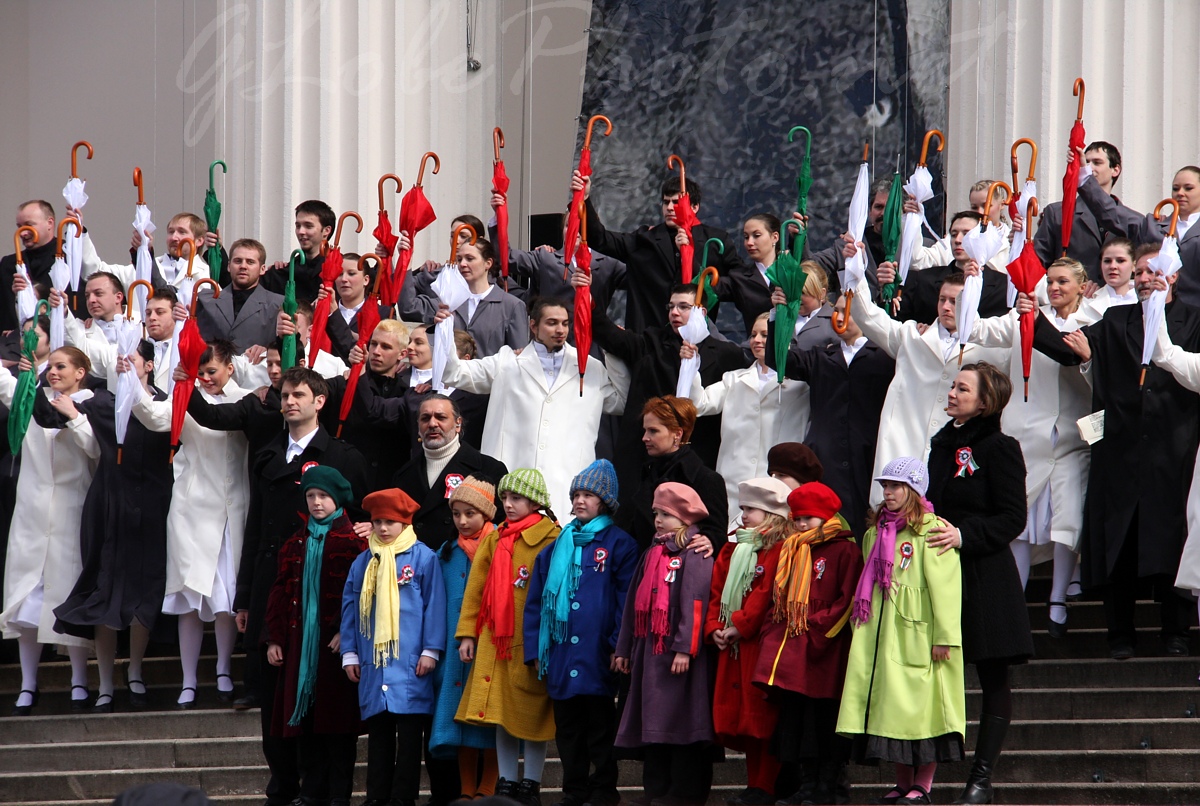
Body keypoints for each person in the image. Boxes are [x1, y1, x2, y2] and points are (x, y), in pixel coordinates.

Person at [1036, 245, 1200, 660]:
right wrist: (1028, 311)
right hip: (1120, 453)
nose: (1145, 279)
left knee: (1174, 541)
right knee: (1120, 544)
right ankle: (1120, 634)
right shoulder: (1113, 320)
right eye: (1140, 273)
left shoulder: (1194, 321)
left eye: (1153, 271)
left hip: (1175, 452)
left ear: (1174, 276)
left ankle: (1175, 630)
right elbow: (1064, 349)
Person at [239, 366, 370, 806]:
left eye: (299, 394)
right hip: (273, 582)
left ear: (319, 401)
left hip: (327, 594)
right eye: (284, 394)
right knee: (272, 689)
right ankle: (283, 785)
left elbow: (366, 514)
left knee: (324, 698)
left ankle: (319, 788)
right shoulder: (267, 453)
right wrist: (243, 597)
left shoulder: (343, 456)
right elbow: (254, 527)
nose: (290, 401)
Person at [924, 363, 1032, 804]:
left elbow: (1013, 516)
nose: (952, 393)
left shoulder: (1000, 447)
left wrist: (964, 535)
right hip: (937, 573)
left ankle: (981, 779)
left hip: (985, 577)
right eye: (953, 385)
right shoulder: (940, 444)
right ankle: (918, 779)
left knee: (993, 677)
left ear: (984, 402)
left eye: (962, 388)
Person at [967, 258, 1093, 635]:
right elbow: (977, 331)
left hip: (1073, 435)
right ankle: (1013, 599)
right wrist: (973, 285)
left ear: (1082, 286)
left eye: (1063, 282)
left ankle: (1057, 599)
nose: (1055, 288)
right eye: (1050, 282)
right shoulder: (1024, 318)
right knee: (1021, 522)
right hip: (1028, 434)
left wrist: (1087, 359)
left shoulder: (1094, 322)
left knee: (1066, 517)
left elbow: (1102, 380)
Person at [51, 340, 172, 712]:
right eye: (120, 358)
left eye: (131, 358)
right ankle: (104, 682)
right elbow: (92, 445)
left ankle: (134, 671)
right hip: (109, 503)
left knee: (144, 588)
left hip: (152, 503)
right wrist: (72, 415)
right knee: (105, 591)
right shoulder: (102, 402)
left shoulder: (164, 402)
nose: (123, 363)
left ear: (148, 365)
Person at [836, 457, 965, 806]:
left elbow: (947, 588)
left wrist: (944, 636)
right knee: (890, 712)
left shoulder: (931, 530)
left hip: (917, 635)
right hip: (881, 635)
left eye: (895, 486)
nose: (887, 492)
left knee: (923, 712)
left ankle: (923, 784)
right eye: (884, 486)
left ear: (914, 490)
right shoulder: (874, 533)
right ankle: (901, 781)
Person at [129, 339, 250, 708]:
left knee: (227, 595)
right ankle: (188, 679)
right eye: (201, 372)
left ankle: (225, 669)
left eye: (212, 371)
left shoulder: (247, 396)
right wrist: (129, 382)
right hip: (192, 508)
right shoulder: (184, 394)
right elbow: (152, 415)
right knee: (190, 597)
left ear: (230, 366)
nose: (207, 378)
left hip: (235, 507)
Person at [440, 297, 626, 514]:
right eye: (552, 323)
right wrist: (445, 329)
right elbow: (454, 373)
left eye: (565, 324)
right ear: (533, 325)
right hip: (510, 484)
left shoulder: (591, 367)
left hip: (564, 487)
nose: (560, 329)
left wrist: (614, 350)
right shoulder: (507, 362)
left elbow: (622, 402)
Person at [576, 271, 747, 506]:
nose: (674, 312)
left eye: (683, 307)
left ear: (702, 312)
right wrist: (587, 298)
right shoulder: (651, 342)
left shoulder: (727, 354)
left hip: (697, 457)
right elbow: (610, 335)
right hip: (643, 458)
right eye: (671, 306)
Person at [525, 459, 639, 806]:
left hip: (597, 655)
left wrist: (618, 645)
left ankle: (603, 789)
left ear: (604, 501)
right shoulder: (556, 547)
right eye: (576, 494)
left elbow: (625, 600)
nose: (579, 500)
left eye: (588, 494)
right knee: (569, 731)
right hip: (561, 655)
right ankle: (574, 790)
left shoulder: (620, 544)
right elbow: (535, 603)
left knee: (600, 728)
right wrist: (534, 649)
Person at [850, 269, 1009, 506]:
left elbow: (1021, 328)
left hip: (954, 452)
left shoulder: (992, 347)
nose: (946, 307)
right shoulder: (912, 336)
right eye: (942, 299)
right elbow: (868, 316)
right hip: (904, 443)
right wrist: (855, 267)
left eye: (956, 302)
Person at [0, 346, 99, 714]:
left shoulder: (92, 404)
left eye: (61, 367)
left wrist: (74, 418)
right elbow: (4, 385)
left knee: (67, 595)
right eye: (50, 366)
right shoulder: (32, 399)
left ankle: (78, 680)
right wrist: (22, 363)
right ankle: (28, 684)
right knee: (26, 600)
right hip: (31, 513)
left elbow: (96, 450)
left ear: (80, 373)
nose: (53, 372)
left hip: (72, 513)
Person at [455, 469, 561, 805]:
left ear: (535, 501)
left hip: (529, 641)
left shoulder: (552, 537)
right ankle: (506, 782)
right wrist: (468, 634)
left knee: (531, 715)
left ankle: (530, 783)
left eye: (516, 498)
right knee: (500, 714)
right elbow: (476, 589)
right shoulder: (496, 537)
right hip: (494, 638)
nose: (508, 505)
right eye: (505, 498)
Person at [753, 482, 862, 806]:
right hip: (794, 646)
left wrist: (818, 626)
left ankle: (830, 786)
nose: (800, 526)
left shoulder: (845, 550)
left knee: (824, 716)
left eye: (808, 519)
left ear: (826, 517)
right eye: (797, 519)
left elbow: (848, 599)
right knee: (799, 717)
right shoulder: (794, 548)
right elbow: (781, 596)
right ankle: (807, 783)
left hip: (824, 647)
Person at [265, 466, 365, 806]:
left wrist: (344, 632)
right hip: (300, 648)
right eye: (311, 496)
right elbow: (280, 591)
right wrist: (276, 637)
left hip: (333, 648)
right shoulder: (296, 542)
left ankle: (339, 793)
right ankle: (311, 791)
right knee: (306, 721)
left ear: (336, 499)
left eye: (323, 496)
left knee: (337, 724)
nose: (317, 502)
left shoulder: (353, 542)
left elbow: (359, 595)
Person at [614, 481, 717, 806]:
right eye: (657, 513)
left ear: (685, 518)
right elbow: (633, 605)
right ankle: (656, 790)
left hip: (678, 656)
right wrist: (624, 649)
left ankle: (684, 792)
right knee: (653, 724)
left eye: (667, 515)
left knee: (681, 722)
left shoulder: (694, 553)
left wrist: (686, 647)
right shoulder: (653, 552)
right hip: (649, 654)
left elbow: (695, 602)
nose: (658, 520)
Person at [343, 486, 447, 806]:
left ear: (405, 523)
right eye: (378, 522)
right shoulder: (364, 562)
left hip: (411, 663)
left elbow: (435, 605)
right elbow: (349, 607)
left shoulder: (424, 557)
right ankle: (376, 797)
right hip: (376, 663)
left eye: (390, 522)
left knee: (410, 738)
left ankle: (403, 798)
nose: (384, 529)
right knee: (380, 736)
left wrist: (431, 651)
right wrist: (349, 651)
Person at [766, 292, 895, 535]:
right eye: (835, 310)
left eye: (848, 310)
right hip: (828, 458)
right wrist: (778, 314)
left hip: (869, 453)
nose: (840, 316)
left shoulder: (886, 356)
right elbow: (778, 358)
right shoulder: (820, 356)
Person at [704, 478, 791, 806]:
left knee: (762, 717)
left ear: (770, 513)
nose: (743, 516)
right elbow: (717, 590)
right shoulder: (733, 548)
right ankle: (755, 786)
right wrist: (714, 625)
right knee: (746, 720)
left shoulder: (779, 549)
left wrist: (739, 625)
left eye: (750, 509)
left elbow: (765, 592)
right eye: (742, 508)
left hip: (757, 644)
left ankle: (764, 786)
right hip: (733, 645)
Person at [578, 170, 742, 332]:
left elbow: (738, 284)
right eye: (666, 202)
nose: (670, 208)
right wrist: (584, 199)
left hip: (695, 341)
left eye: (676, 202)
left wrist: (701, 275)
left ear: (695, 207)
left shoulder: (715, 241)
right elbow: (599, 239)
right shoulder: (645, 239)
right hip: (649, 341)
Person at [684, 312, 809, 524]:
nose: (757, 340)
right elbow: (700, 404)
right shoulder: (734, 378)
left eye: (765, 335)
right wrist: (692, 365)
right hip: (735, 479)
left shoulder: (801, 384)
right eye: (753, 335)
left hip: (778, 481)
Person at [430, 477, 501, 799]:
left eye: (470, 513)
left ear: (486, 514)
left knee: (487, 719)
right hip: (452, 649)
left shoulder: (500, 546)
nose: (462, 521)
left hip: (488, 647)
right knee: (458, 718)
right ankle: (466, 788)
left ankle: (490, 784)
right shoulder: (446, 553)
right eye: (456, 513)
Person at [390, 394, 509, 551]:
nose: (432, 423)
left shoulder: (489, 469)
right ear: (418, 427)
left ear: (458, 423)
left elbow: (503, 526)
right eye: (425, 418)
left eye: (441, 417)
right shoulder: (403, 476)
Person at [487, 199, 627, 324]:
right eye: (568, 225)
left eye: (581, 226)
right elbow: (507, 258)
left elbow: (638, 280)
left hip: (591, 346)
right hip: (549, 343)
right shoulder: (545, 257)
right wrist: (498, 218)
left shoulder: (609, 263)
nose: (574, 231)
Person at [354, 324, 489, 451]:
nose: (439, 355)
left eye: (447, 352)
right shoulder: (420, 393)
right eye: (437, 350)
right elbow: (374, 410)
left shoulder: (481, 398)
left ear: (465, 359)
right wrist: (359, 369)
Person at [1083, 162, 1200, 306]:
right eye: (1176, 189)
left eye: (1188, 188)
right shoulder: (1153, 226)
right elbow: (1111, 212)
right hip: (1156, 312)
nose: (1180, 193)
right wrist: (1083, 172)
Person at [622, 396, 728, 549]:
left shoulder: (706, 479)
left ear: (677, 434)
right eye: (645, 430)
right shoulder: (649, 473)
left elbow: (716, 534)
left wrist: (711, 539)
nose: (645, 438)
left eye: (653, 431)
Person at [399, 237, 530, 358]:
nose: (462, 264)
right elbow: (408, 309)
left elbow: (519, 357)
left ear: (488, 263)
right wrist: (406, 263)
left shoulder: (511, 305)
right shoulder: (448, 300)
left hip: (492, 381)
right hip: (449, 382)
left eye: (470, 258)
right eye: (459, 259)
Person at [1036, 142, 1142, 282]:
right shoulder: (1057, 213)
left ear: (1115, 170)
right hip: (1073, 300)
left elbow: (1141, 267)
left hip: (1118, 300)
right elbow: (1039, 264)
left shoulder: (1134, 220)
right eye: (1086, 162)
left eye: (1097, 162)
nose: (1089, 167)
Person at [885, 211, 1010, 325]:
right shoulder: (923, 280)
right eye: (954, 234)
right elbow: (896, 323)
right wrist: (886, 290)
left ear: (983, 239)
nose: (958, 240)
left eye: (966, 234)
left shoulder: (1003, 287)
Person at [80, 211, 215, 291]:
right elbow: (94, 272)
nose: (174, 237)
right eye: (171, 232)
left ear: (199, 240)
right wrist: (80, 233)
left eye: (182, 232)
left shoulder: (207, 275)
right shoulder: (140, 268)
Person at [194, 238, 284, 350]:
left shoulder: (278, 305)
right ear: (228, 266)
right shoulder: (206, 301)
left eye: (250, 262)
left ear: (262, 269)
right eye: (238, 261)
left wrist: (266, 351)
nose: (243, 266)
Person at [910, 179, 1013, 274]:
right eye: (974, 207)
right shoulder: (957, 238)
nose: (981, 212)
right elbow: (919, 261)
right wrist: (912, 219)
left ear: (1002, 204)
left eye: (986, 206)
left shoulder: (1012, 240)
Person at [715, 213, 783, 338]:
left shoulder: (791, 270)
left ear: (775, 237)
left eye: (756, 236)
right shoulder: (739, 278)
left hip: (793, 349)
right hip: (757, 349)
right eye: (746, 237)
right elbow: (704, 285)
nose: (749, 242)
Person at [262, 200, 335, 304]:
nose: (301, 231)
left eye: (308, 226)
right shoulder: (282, 272)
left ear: (326, 231)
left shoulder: (342, 271)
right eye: (298, 226)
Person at [0, 200, 59, 332]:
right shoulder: (9, 264)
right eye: (19, 227)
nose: (22, 233)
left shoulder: (68, 258)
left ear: (49, 223)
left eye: (29, 225)